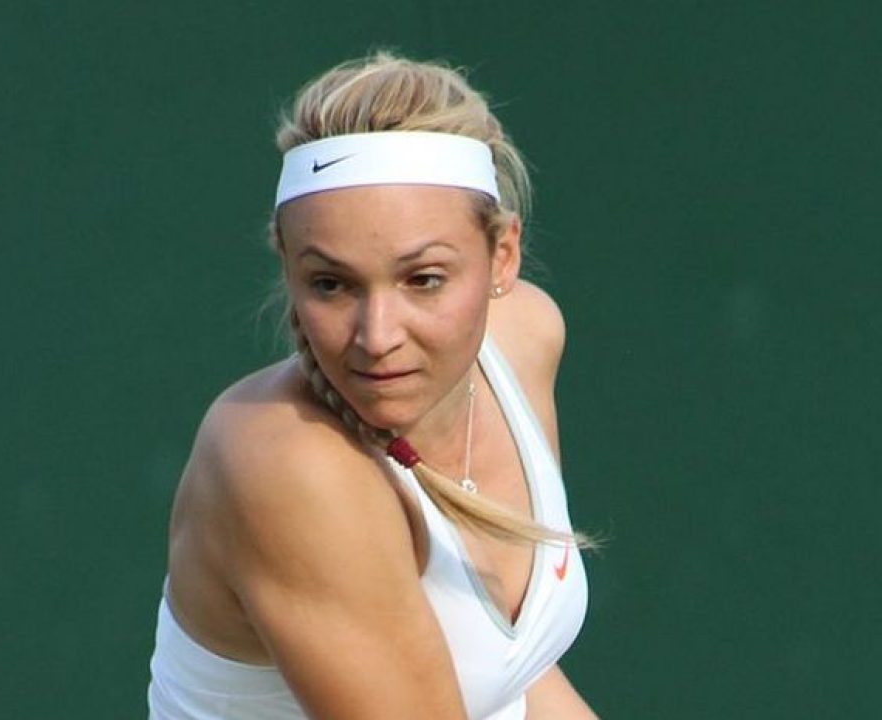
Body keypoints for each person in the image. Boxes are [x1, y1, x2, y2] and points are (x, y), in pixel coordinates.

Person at [146, 52, 596, 719]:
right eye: (331, 284)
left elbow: (514, 678)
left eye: (424, 280)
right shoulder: (290, 466)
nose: (377, 336)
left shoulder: (526, 337)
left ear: (503, 256)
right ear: (289, 270)